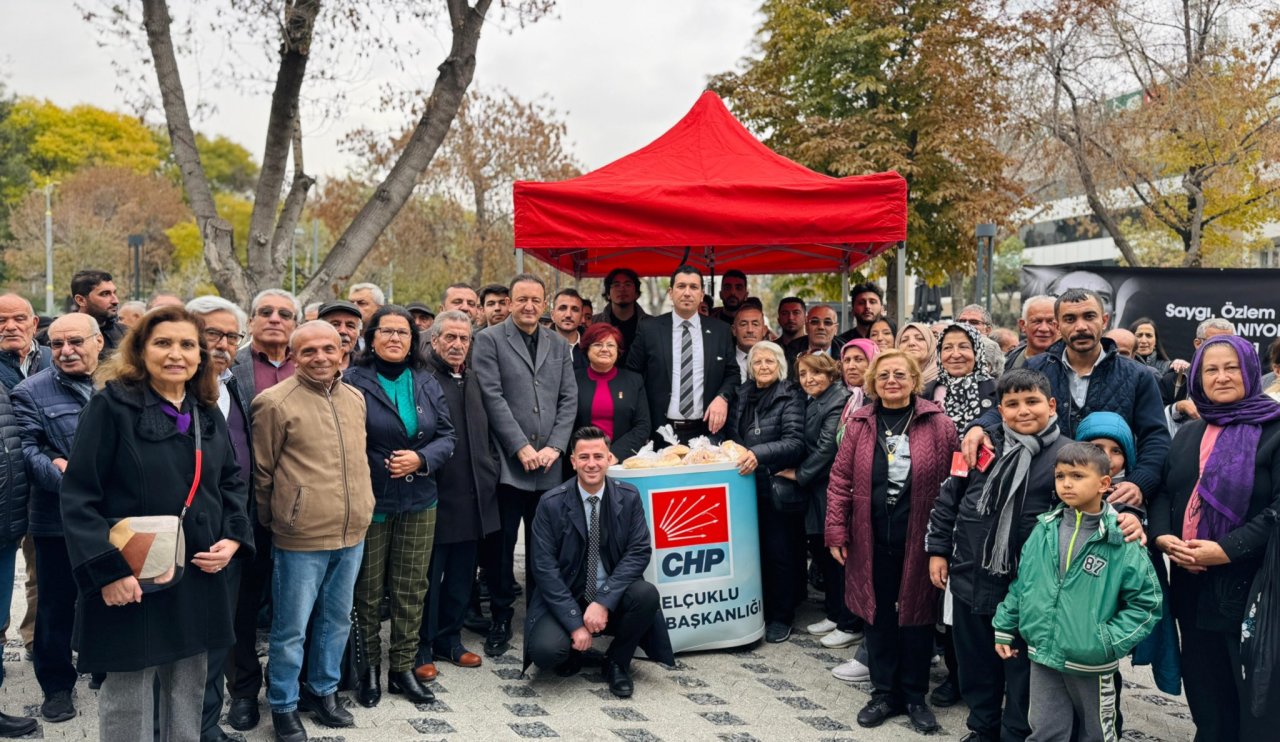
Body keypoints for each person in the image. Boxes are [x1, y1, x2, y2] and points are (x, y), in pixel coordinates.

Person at [61, 305, 253, 742]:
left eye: (187, 344)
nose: (176, 354)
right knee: (128, 691)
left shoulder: (206, 412)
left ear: (200, 355)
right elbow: (77, 497)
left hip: (198, 575)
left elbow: (231, 482)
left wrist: (233, 539)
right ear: (140, 350)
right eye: (163, 343)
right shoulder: (111, 408)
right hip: (132, 575)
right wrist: (108, 572)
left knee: (188, 688)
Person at [927, 369, 1149, 741]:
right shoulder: (977, 445)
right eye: (1012, 404)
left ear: (1051, 405)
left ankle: (1015, 732)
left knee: (1022, 674)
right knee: (975, 664)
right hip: (969, 576)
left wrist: (1131, 518)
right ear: (999, 410)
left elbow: (1099, 497)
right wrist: (937, 550)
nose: (1022, 411)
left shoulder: (1065, 455)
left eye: (1032, 402)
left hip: (1028, 591)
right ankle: (982, 728)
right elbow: (948, 499)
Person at [1150, 335, 1280, 740]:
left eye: (1232, 368)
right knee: (1206, 696)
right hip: (1191, 583)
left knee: (1257, 702)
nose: (1222, 377)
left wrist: (1226, 549)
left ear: (1252, 372)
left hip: (1252, 587)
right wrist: (1162, 536)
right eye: (1211, 369)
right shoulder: (1190, 433)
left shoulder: (1274, 430)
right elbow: (1166, 491)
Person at [251, 321, 374, 742]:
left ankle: (323, 691)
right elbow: (263, 474)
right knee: (291, 629)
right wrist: (281, 519)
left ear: (343, 351)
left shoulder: (355, 397)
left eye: (329, 348)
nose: (320, 357)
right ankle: (284, 703)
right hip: (300, 537)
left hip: (353, 532)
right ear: (293, 355)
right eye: (308, 351)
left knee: (336, 620)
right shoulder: (273, 402)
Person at [993, 443, 1162, 742]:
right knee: (1045, 729)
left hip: (1091, 662)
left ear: (1104, 483)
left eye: (1077, 475)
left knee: (1096, 732)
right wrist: (1004, 627)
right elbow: (1023, 584)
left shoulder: (1120, 537)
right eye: (1060, 476)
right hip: (1043, 654)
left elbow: (1146, 603)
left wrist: (1107, 642)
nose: (1067, 484)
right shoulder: (1044, 529)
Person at [826, 349, 957, 734]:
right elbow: (839, 481)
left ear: (915, 381)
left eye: (900, 375)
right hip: (870, 539)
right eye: (883, 376)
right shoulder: (860, 424)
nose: (892, 381)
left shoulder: (940, 424)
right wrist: (836, 530)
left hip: (921, 540)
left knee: (916, 618)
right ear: (872, 383)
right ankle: (884, 693)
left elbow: (955, 486)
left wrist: (945, 544)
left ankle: (915, 695)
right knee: (878, 616)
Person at [962, 289, 1171, 515]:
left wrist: (1139, 482)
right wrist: (980, 427)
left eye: (1089, 316)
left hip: (1109, 503)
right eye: (1070, 319)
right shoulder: (1035, 368)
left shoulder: (1138, 376)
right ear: (1058, 325)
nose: (1080, 326)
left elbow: (1156, 438)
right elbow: (1003, 408)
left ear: (1104, 320)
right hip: (1042, 501)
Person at [346, 306, 456, 708]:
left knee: (412, 588)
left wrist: (422, 459)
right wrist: (384, 463)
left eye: (403, 333)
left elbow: (446, 435)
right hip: (372, 500)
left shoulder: (425, 380)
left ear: (414, 340)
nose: (395, 338)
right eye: (386, 331)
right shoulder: (352, 381)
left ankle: (402, 668)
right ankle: (369, 669)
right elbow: (344, 440)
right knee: (369, 591)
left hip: (420, 499)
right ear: (371, 338)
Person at [522, 426, 674, 697]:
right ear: (572, 461)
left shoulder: (628, 497)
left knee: (646, 595)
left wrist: (603, 600)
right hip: (568, 595)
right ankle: (573, 649)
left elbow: (639, 551)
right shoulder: (550, 504)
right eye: (583, 457)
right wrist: (574, 622)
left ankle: (616, 661)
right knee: (545, 652)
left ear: (609, 459)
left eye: (598, 456)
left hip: (611, 595)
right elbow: (544, 569)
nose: (591, 464)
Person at [472, 274, 578, 658]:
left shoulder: (557, 344)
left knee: (544, 547)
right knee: (501, 549)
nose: (529, 306)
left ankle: (541, 614)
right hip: (507, 465)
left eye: (536, 300)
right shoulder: (488, 340)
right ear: (510, 302)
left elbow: (568, 399)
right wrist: (519, 446)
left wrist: (556, 446)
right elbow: (492, 396)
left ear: (544, 301)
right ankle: (501, 616)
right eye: (522, 300)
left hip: (549, 464)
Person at [12, 313, 103, 725]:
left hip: (114, 518)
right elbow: (29, 451)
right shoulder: (30, 391)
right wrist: (71, 480)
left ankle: (105, 668)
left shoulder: (122, 384)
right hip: (56, 518)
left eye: (76, 342)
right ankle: (56, 688)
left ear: (98, 342)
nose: (66, 351)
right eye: (57, 344)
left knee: (109, 595)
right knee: (54, 605)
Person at [185, 295, 255, 742]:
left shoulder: (234, 388)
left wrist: (234, 534)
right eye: (213, 333)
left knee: (218, 638)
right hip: (182, 539)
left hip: (229, 535)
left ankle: (207, 725)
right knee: (183, 646)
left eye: (232, 336)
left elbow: (234, 472)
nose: (223, 344)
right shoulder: (164, 395)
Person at [417, 311, 500, 682]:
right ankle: (422, 644)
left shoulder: (474, 378)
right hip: (436, 495)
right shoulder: (422, 380)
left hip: (475, 495)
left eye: (463, 339)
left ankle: (450, 639)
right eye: (449, 337)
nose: (457, 345)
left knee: (462, 576)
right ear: (434, 341)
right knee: (428, 577)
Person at [723, 341, 805, 643]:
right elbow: (731, 433)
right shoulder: (742, 395)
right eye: (758, 362)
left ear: (780, 365)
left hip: (775, 485)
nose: (764, 366)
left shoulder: (790, 396)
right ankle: (756, 609)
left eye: (770, 361)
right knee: (750, 553)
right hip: (744, 488)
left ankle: (782, 617)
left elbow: (795, 442)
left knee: (779, 553)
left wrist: (757, 453)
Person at [777, 354, 857, 649]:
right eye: (803, 374)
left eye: (815, 373)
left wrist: (800, 474)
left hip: (827, 486)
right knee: (824, 554)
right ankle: (835, 613)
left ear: (830, 374)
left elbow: (827, 446)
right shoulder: (815, 399)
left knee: (836, 556)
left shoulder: (837, 399)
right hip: (817, 489)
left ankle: (847, 620)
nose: (809, 379)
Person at [626, 265, 738, 442]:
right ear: (671, 292)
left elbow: (732, 374)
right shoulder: (649, 329)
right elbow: (632, 375)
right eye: (681, 286)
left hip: (707, 432)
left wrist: (722, 398)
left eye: (693, 287)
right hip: (659, 432)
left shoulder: (720, 331)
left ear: (702, 294)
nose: (687, 293)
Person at [573, 323, 651, 461]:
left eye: (610, 345)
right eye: (597, 344)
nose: (604, 349)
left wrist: (615, 454)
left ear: (618, 351)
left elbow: (643, 425)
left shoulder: (633, 381)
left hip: (621, 460)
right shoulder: (572, 379)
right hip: (581, 460)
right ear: (587, 348)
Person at [925, 323, 997, 436]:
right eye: (947, 348)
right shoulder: (925, 392)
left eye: (963, 346)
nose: (956, 354)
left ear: (977, 351)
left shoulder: (997, 389)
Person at [233, 289, 301, 400]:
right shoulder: (229, 367)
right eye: (266, 312)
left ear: (296, 327)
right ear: (251, 324)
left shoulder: (307, 365)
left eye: (284, 314)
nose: (274, 319)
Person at [67, 269, 125, 356]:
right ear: (81, 300)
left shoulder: (126, 333)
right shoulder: (60, 335)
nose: (115, 301)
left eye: (114, 293)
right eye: (105, 294)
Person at [599, 268, 647, 366]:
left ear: (636, 294)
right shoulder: (595, 323)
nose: (622, 289)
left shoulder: (651, 324)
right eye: (616, 285)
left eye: (628, 284)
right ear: (608, 294)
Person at [1006, 295, 1057, 370]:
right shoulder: (1008, 361)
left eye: (1051, 322)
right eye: (1037, 321)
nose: (1044, 329)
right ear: (1022, 325)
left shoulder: (1071, 365)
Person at [832, 282, 885, 348]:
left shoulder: (891, 340)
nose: (867, 306)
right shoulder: (841, 343)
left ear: (882, 309)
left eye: (872, 302)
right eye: (861, 303)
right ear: (852, 310)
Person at [319, 300, 363, 370]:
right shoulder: (306, 367)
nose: (343, 331)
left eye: (350, 326)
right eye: (335, 324)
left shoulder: (367, 368)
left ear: (358, 332)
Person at [550, 289, 587, 370]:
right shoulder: (540, 345)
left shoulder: (592, 345)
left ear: (581, 317)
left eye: (575, 309)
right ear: (552, 315)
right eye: (562, 308)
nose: (568, 315)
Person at [732, 302, 768, 382]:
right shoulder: (724, 359)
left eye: (755, 324)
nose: (750, 330)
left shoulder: (775, 360)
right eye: (743, 324)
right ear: (734, 330)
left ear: (764, 330)